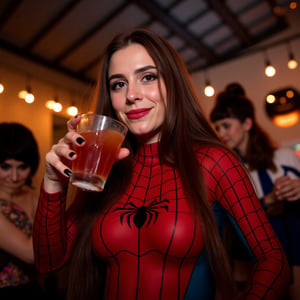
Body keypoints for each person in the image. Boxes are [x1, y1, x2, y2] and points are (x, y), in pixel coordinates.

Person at [33, 28, 290, 300]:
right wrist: (52, 182)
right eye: (118, 84)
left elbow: (274, 262)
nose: (132, 94)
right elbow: (48, 262)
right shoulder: (106, 168)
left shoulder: (215, 162)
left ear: (173, 83)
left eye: (148, 77)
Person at [210, 83, 300, 299]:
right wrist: (267, 200)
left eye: (226, 126)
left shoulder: (283, 157)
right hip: (247, 266)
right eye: (217, 128)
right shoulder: (226, 170)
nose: (221, 133)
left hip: (294, 258)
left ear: (247, 123)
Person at [0, 122, 45, 298]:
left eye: (22, 167)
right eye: (5, 167)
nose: (14, 177)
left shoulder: (33, 197)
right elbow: (31, 254)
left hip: (32, 289)